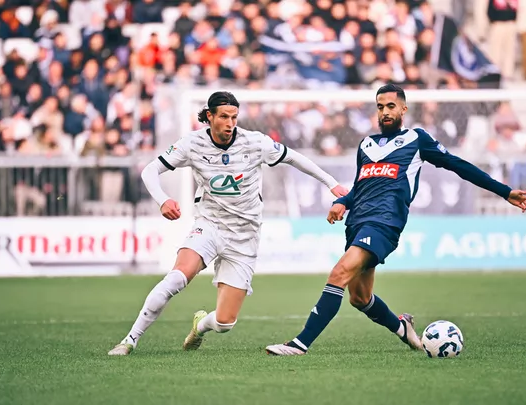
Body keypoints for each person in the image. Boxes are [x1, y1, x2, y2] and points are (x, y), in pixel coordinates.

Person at [265, 84, 526, 356]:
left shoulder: (417, 140)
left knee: (339, 274)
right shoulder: (367, 144)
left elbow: (458, 165)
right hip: (357, 222)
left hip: (385, 222)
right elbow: (360, 186)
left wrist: (504, 191)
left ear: (403, 109)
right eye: (380, 106)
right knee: (359, 298)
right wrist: (342, 202)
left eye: (391, 106)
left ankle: (300, 344)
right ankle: (402, 327)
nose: (385, 112)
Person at [108, 91, 347, 355]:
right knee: (176, 278)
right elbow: (150, 170)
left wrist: (331, 183)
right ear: (209, 117)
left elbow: (294, 157)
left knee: (225, 323)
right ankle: (129, 340)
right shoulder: (192, 143)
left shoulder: (255, 142)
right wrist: (163, 199)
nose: (230, 122)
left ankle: (200, 327)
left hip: (245, 235)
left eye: (234, 117)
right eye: (223, 116)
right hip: (209, 225)